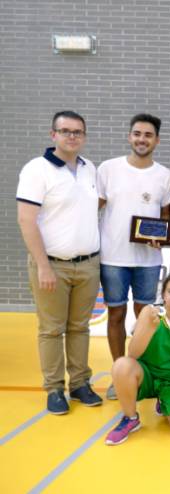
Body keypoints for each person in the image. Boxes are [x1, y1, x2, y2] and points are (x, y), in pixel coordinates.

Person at [16, 111, 103, 414]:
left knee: (80, 327)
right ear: (53, 134)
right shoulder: (36, 170)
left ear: (84, 136)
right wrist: (43, 266)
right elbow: (26, 220)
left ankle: (79, 383)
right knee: (52, 329)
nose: (72, 136)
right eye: (65, 131)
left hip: (88, 264)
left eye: (78, 132)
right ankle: (54, 388)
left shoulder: (89, 168)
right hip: (52, 265)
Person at [98, 113, 170, 400]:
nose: (142, 139)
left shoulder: (165, 176)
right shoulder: (108, 169)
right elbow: (94, 208)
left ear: (157, 140)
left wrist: (162, 237)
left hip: (148, 260)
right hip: (113, 257)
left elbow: (166, 217)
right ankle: (119, 373)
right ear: (129, 136)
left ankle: (143, 373)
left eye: (148, 135)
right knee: (116, 314)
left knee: (146, 318)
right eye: (137, 134)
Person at [104, 272, 170, 445]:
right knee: (121, 365)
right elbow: (132, 354)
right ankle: (130, 418)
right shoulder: (150, 312)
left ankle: (165, 402)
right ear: (163, 295)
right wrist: (149, 328)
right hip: (146, 374)